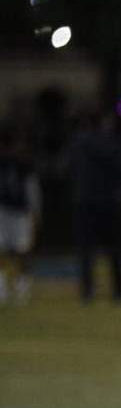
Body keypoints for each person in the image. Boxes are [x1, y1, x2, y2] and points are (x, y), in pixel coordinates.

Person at [68, 109, 121, 303]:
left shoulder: (78, 143)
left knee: (86, 251)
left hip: (85, 202)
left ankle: (87, 291)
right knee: (115, 249)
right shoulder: (113, 142)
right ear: (105, 122)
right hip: (109, 202)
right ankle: (119, 291)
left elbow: (70, 169)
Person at [0, 123, 40, 306]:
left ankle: (22, 286)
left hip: (20, 211)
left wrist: (35, 211)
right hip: (3, 210)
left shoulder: (24, 163)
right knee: (2, 249)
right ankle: (2, 287)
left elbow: (32, 187)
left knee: (23, 249)